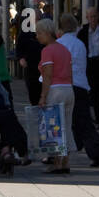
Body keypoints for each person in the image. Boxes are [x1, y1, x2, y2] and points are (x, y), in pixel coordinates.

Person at [57, 13, 99, 166]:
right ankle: (93, 151)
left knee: (64, 121)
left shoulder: (59, 44)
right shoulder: (79, 44)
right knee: (83, 120)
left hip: (65, 85)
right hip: (81, 85)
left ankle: (61, 153)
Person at [36, 18, 75, 174]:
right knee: (67, 126)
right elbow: (71, 73)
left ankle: (57, 163)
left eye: (39, 33)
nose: (37, 36)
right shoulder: (65, 50)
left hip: (55, 90)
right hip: (68, 90)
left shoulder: (47, 51)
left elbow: (48, 75)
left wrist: (43, 96)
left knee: (55, 127)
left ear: (46, 33)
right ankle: (65, 161)